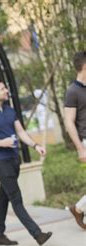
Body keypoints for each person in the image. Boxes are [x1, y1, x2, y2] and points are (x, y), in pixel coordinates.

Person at [0, 79, 53, 246]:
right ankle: (37, 234)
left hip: (13, 160)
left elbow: (21, 132)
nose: (6, 90)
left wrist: (35, 145)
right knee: (16, 199)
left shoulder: (10, 111)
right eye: (2, 88)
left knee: (4, 198)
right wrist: (0, 143)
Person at [63, 51, 86, 229]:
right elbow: (69, 122)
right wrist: (80, 148)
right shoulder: (73, 91)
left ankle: (79, 209)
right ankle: (79, 210)